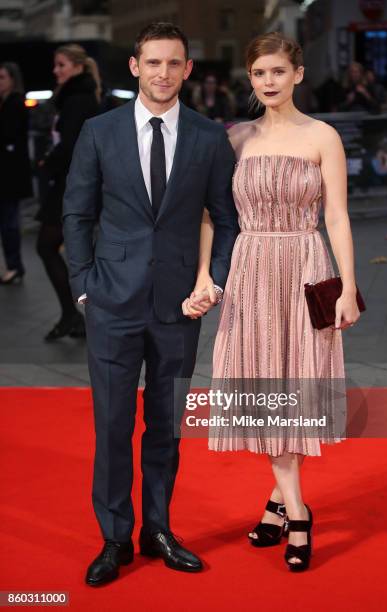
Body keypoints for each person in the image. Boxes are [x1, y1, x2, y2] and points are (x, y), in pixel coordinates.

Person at [62, 22, 239, 586]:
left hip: (177, 307)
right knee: (113, 426)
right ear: (135, 67)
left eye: (174, 63)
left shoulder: (210, 137)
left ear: (189, 70)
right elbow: (77, 214)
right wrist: (84, 285)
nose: (163, 73)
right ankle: (114, 537)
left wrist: (213, 280)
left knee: (164, 427)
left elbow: (227, 220)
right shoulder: (99, 131)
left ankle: (158, 529)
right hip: (112, 302)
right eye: (153, 63)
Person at [185, 32, 361, 572]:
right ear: (251, 78)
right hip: (252, 271)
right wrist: (202, 278)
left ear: (298, 74)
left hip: (307, 268)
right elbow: (214, 217)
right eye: (259, 74)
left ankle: (290, 510)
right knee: (260, 386)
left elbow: (336, 216)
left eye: (278, 72)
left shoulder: (323, 136)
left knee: (296, 387)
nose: (268, 82)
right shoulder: (234, 138)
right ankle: (290, 504)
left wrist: (348, 286)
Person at [36, 44, 101, 341]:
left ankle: (72, 316)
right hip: (72, 185)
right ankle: (72, 316)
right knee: (56, 248)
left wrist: (47, 162)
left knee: (47, 246)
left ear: (76, 67)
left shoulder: (78, 99)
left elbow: (72, 146)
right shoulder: (77, 97)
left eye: (61, 65)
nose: (55, 70)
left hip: (71, 187)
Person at [0, 62, 32, 285]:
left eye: (2, 77)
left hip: (9, 176)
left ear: (12, 79)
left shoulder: (16, 103)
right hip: (6, 173)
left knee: (9, 222)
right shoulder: (4, 102)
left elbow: (10, 135)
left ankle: (14, 266)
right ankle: (12, 265)